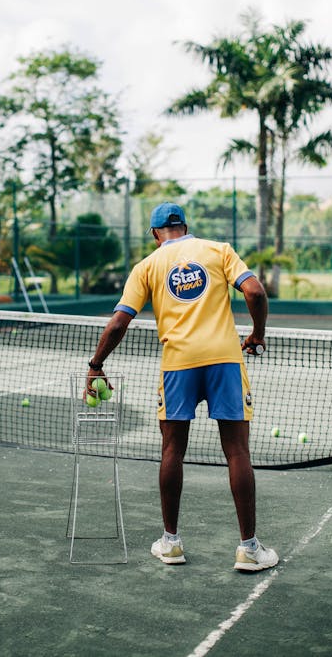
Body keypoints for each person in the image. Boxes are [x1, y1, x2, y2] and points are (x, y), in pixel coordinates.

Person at [86, 202, 279, 571]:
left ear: (155, 234)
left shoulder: (146, 267)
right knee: (237, 451)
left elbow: (117, 324)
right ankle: (250, 550)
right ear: (186, 226)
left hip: (178, 365)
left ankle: (171, 544)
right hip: (224, 360)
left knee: (172, 450)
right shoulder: (218, 250)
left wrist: (95, 366)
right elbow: (254, 292)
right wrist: (257, 333)